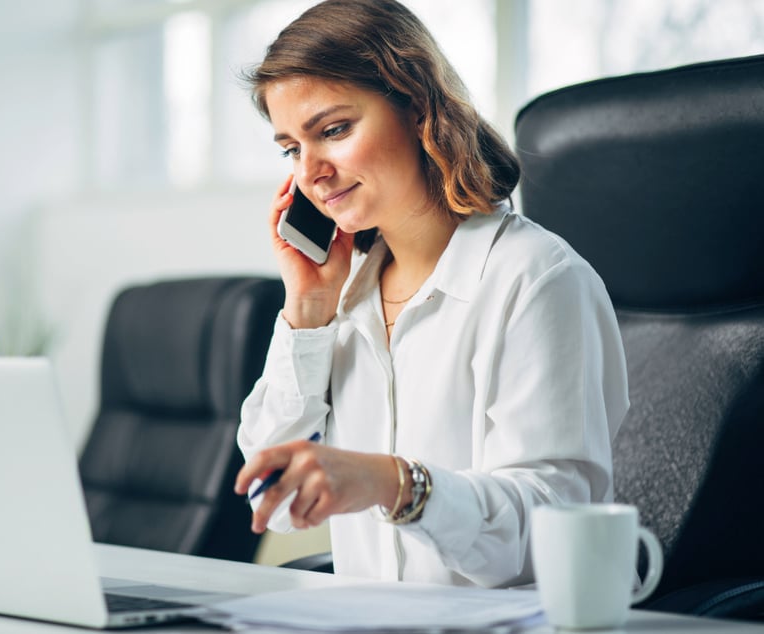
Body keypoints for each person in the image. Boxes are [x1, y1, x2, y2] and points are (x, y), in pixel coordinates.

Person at [233, 0, 629, 588]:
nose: (309, 172)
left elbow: (550, 536)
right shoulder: (341, 295)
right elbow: (274, 500)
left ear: (417, 108)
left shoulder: (536, 279)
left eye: (333, 130)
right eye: (291, 148)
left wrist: (392, 483)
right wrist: (309, 312)